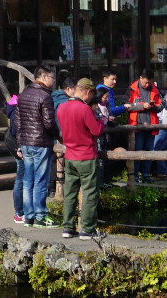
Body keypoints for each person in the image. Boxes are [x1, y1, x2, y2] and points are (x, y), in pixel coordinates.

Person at [55, 77, 105, 238]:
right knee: (90, 193)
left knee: (70, 192)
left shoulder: (61, 108)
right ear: (88, 92)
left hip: (69, 155)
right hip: (86, 156)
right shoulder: (84, 109)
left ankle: (68, 227)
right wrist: (103, 122)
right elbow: (96, 130)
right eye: (91, 95)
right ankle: (87, 229)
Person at [10, 67, 58, 226]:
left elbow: (17, 122)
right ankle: (40, 216)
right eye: (52, 77)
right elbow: (49, 123)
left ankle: (28, 216)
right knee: (40, 181)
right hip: (41, 143)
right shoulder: (45, 97)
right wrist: (59, 136)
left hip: (25, 144)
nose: (53, 81)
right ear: (44, 77)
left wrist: (19, 143)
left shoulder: (22, 95)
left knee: (28, 180)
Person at [125, 70, 161, 182]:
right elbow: (127, 105)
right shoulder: (132, 89)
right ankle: (134, 175)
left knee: (149, 151)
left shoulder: (155, 90)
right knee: (138, 150)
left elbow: (160, 106)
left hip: (151, 125)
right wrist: (141, 106)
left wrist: (152, 107)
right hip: (137, 125)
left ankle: (146, 175)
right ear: (140, 78)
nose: (147, 85)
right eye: (146, 82)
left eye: (149, 83)